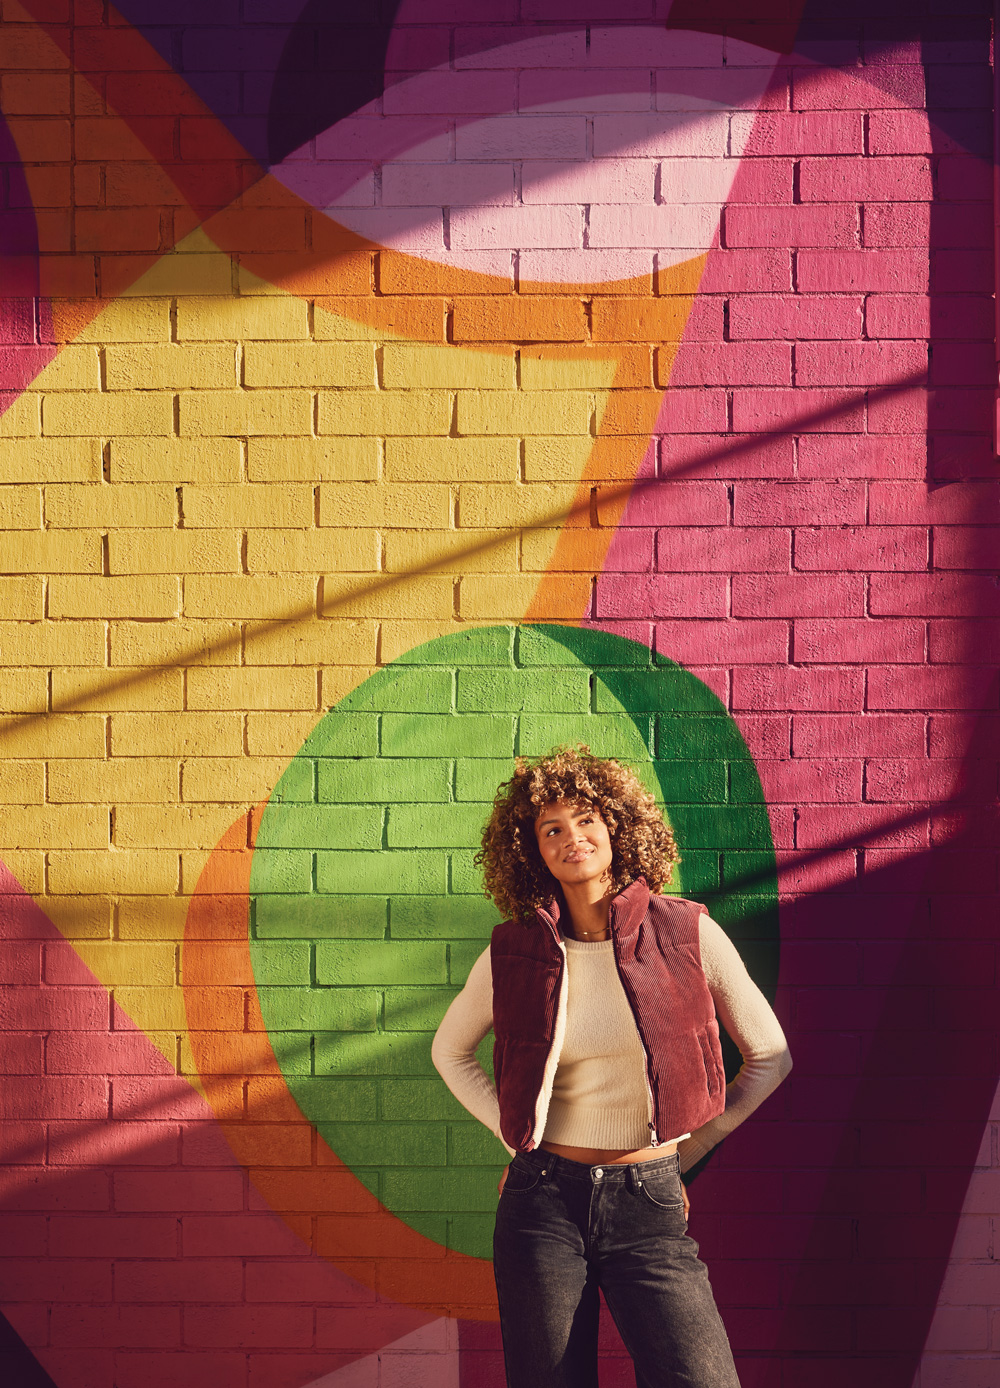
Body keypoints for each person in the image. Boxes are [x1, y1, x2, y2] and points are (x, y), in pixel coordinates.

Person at [432, 745, 792, 1388]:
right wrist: (517, 1141)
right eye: (551, 829)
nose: (572, 837)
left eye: (586, 819)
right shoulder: (515, 950)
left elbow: (770, 1056)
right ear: (532, 852)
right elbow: (450, 1052)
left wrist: (684, 1154)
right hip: (541, 1204)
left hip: (649, 1200)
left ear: (617, 827)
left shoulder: (687, 932)